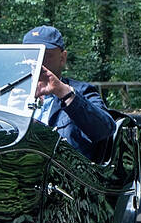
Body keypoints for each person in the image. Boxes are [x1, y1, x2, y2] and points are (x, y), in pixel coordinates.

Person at [22, 25, 115, 160]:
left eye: (45, 55)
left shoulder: (82, 92)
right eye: (32, 55)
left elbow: (105, 131)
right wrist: (12, 111)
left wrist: (63, 92)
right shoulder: (10, 93)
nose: (38, 62)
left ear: (62, 58)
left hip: (63, 174)